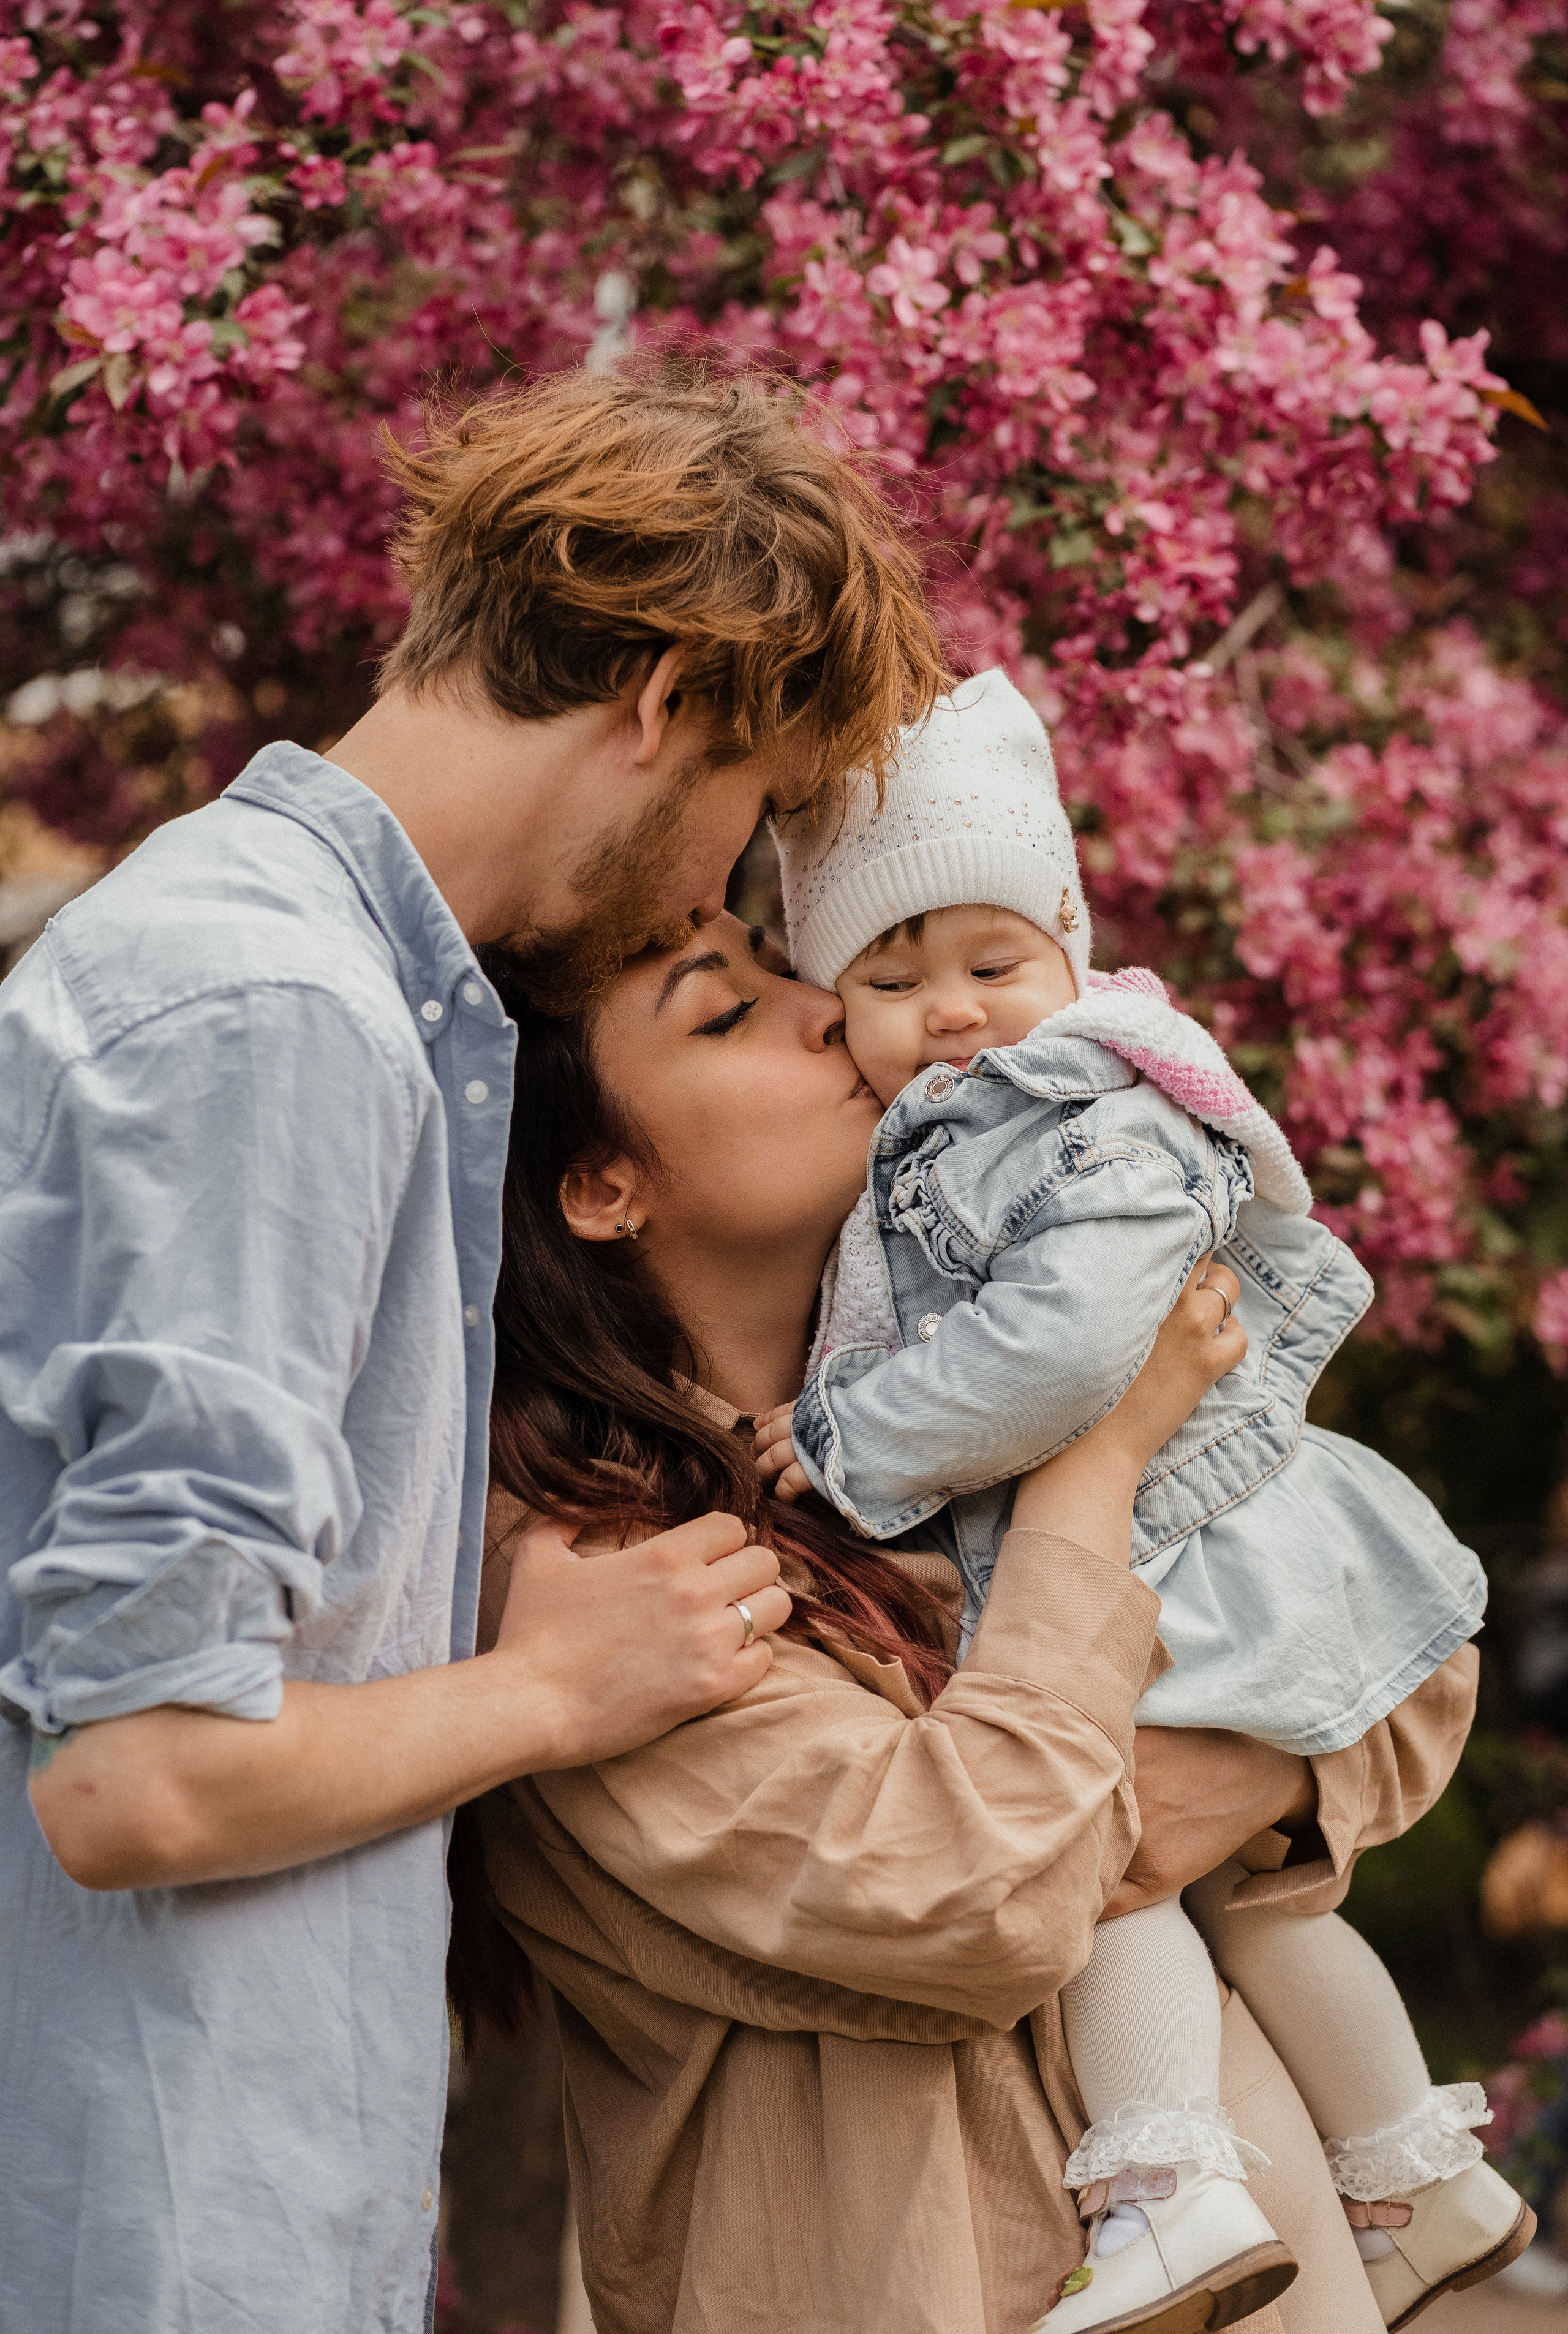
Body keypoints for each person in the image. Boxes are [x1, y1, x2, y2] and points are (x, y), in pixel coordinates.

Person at [0, 369, 943, 2334]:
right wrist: (555, 1692)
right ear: (667, 697)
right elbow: (138, 1776)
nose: (716, 889)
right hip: (166, 2243)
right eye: (751, 811)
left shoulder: (313, 988)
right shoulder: (277, 1011)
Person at [456, 912, 1479, 2334]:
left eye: (780, 967)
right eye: (722, 1014)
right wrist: (1097, 1467)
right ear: (600, 1187)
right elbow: (975, 1898)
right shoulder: (605, 1579)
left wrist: (1267, 1772)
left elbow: (1405, 1650)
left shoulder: (956, 1397)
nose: (825, 1010)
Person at [753, 665, 1526, 2330]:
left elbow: (1068, 1345)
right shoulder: (971, 1125)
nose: (950, 1011)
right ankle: (1413, 2164)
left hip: (1185, 1545)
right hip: (1180, 1537)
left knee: (1105, 1867)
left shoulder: (1069, 1112)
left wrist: (846, 1450)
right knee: (1248, 1888)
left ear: (1072, 948)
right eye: (889, 978)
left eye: (991, 962)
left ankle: (1169, 2189)